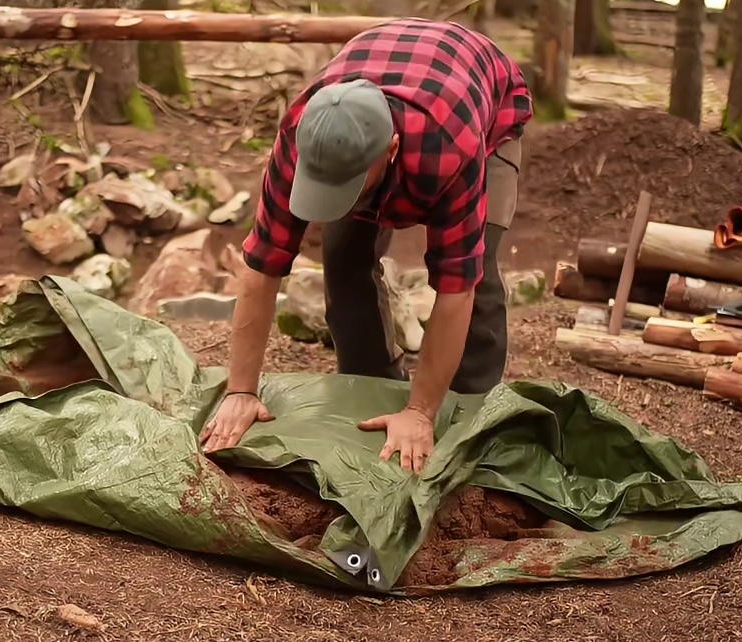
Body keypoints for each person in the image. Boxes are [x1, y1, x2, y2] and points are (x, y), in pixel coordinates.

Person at [199, 18, 532, 474]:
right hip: (392, 78)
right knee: (343, 258)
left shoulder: (447, 148)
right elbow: (262, 263)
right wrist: (240, 390)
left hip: (481, 103)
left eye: (350, 183)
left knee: (479, 277)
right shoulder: (301, 131)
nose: (336, 197)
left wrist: (421, 411)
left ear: (391, 149)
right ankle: (370, 397)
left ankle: (466, 420)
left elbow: (457, 288)